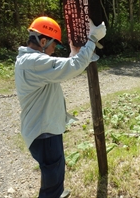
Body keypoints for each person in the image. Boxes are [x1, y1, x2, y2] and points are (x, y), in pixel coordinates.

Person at [15, 16, 106, 198]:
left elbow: (63, 69)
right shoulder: (33, 62)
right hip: (44, 134)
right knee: (52, 184)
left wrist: (74, 54)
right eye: (53, 45)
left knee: (54, 177)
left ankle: (55, 192)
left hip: (43, 131)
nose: (53, 50)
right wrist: (93, 39)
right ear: (43, 41)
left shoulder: (29, 61)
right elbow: (73, 66)